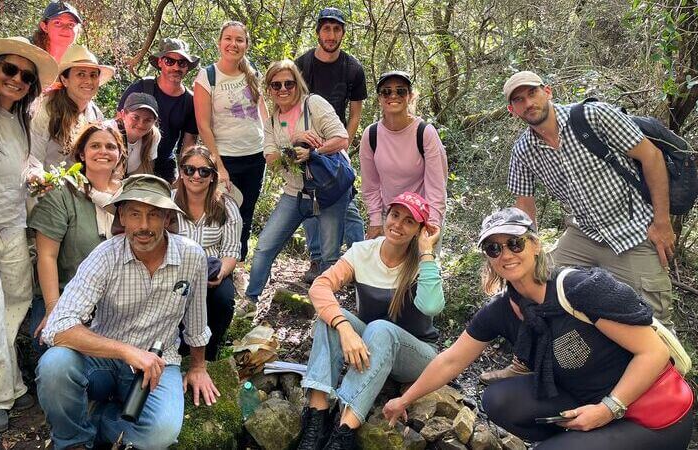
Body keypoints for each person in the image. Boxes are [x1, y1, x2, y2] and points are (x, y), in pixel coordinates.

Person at [382, 207, 694, 449]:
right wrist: (404, 400)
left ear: (535, 246)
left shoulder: (577, 289)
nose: (505, 254)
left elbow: (654, 353)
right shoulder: (502, 310)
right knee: (497, 400)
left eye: (514, 243)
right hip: (583, 400)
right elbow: (451, 360)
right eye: (494, 249)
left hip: (650, 414)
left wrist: (607, 410)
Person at [483, 71, 676, 384]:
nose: (528, 103)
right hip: (584, 232)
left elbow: (651, 157)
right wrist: (522, 251)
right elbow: (524, 211)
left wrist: (662, 221)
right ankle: (527, 361)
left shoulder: (593, 117)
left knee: (652, 315)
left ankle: (665, 386)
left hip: (633, 230)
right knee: (532, 284)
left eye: (532, 93)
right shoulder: (524, 151)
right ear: (512, 110)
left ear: (548, 91)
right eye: (518, 100)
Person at [36, 175, 218, 449]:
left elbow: (196, 319)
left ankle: (96, 418)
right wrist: (124, 350)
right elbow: (57, 327)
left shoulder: (192, 256)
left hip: (159, 363)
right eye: (135, 214)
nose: (144, 226)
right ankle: (73, 441)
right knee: (54, 365)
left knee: (160, 435)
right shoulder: (105, 256)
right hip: (103, 361)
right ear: (121, 216)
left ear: (168, 218)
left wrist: (198, 366)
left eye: (153, 215)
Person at [297, 192, 444, 449]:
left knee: (381, 328)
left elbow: (432, 306)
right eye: (395, 215)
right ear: (386, 216)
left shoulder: (424, 263)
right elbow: (319, 287)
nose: (398, 225)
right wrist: (344, 328)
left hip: (417, 356)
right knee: (330, 318)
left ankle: (344, 432)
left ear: (420, 231)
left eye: (409, 221)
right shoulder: (363, 252)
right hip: (373, 346)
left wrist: (427, 252)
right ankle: (316, 419)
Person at [244, 59, 348, 309]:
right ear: (268, 89)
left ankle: (327, 308)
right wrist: (294, 142)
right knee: (265, 246)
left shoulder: (314, 105)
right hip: (296, 192)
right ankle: (250, 300)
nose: (282, 89)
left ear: (297, 84)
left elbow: (342, 138)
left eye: (288, 83)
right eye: (276, 85)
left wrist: (314, 151)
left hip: (329, 189)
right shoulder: (270, 122)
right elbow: (271, 159)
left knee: (330, 256)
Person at [28, 123, 126, 353]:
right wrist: (54, 311)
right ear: (82, 153)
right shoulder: (62, 193)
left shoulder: (130, 195)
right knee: (52, 348)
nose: (103, 151)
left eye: (110, 146)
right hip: (66, 295)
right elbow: (47, 256)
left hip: (117, 297)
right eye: (95, 146)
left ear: (120, 154)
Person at [295, 6, 368, 283]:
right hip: (307, 146)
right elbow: (292, 104)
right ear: (318, 32)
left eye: (336, 29)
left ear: (343, 33)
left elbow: (356, 113)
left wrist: (342, 145)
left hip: (336, 146)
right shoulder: (303, 65)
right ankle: (317, 261)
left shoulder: (352, 68)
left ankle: (359, 258)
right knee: (309, 201)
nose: (331, 34)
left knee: (345, 199)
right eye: (326, 28)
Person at [193, 21, 267, 263]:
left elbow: (261, 108)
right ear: (220, 42)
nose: (233, 44)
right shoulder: (208, 75)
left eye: (239, 40)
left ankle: (237, 264)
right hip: (225, 156)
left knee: (246, 212)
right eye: (228, 38)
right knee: (221, 212)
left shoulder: (251, 71)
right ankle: (213, 262)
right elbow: (203, 124)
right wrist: (219, 164)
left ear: (246, 45)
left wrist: (271, 142)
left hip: (256, 155)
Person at [172, 146, 242, 360]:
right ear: (181, 172)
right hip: (174, 268)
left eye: (204, 171)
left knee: (222, 301)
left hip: (213, 268)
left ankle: (210, 350)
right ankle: (178, 345)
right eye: (189, 169)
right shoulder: (168, 202)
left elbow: (231, 251)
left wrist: (221, 272)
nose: (196, 176)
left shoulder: (226, 206)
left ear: (213, 177)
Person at [360, 71, 448, 240]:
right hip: (391, 217)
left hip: (422, 217)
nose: (393, 95)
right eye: (386, 91)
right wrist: (376, 220)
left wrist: (432, 226)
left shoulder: (424, 133)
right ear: (379, 98)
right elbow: (370, 186)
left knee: (423, 266)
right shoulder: (371, 135)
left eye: (400, 91)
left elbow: (437, 187)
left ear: (409, 96)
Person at [117, 38, 199, 182]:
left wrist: (183, 176)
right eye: (169, 61)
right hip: (127, 162)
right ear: (160, 62)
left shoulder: (190, 101)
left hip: (164, 166)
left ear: (187, 67)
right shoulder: (142, 88)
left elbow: (188, 144)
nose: (176, 67)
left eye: (182, 63)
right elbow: (118, 124)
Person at [31, 44, 114, 169]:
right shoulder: (45, 110)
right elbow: (33, 156)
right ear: (65, 80)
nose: (89, 81)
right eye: (81, 74)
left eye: (93, 75)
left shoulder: (95, 114)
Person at [107, 92, 160, 175]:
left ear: (154, 121)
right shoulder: (107, 132)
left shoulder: (153, 136)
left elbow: (143, 172)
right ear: (123, 114)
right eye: (135, 117)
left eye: (148, 120)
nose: (141, 124)